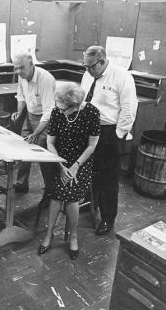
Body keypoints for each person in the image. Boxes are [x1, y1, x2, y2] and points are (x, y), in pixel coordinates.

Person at [38, 82, 100, 260]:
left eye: (66, 110)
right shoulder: (57, 111)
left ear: (76, 105)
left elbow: (92, 146)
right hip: (59, 158)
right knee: (57, 192)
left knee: (70, 192)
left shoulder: (92, 113)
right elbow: (50, 142)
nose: (62, 112)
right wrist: (61, 165)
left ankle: (73, 236)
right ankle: (49, 233)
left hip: (82, 160)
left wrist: (75, 166)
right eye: (60, 109)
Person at [80, 46, 137, 236]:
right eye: (85, 66)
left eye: (91, 67)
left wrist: (118, 135)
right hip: (89, 129)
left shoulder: (122, 76)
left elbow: (129, 109)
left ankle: (107, 217)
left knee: (108, 178)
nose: (87, 71)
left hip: (109, 132)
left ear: (103, 61)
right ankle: (92, 205)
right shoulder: (89, 74)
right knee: (90, 171)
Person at [10, 53, 56, 208]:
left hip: (44, 118)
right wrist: (19, 113)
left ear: (31, 64)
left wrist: (36, 133)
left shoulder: (45, 79)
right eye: (15, 68)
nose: (18, 72)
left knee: (43, 156)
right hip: (29, 114)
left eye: (21, 68)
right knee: (24, 148)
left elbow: (49, 111)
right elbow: (21, 95)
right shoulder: (22, 75)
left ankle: (50, 192)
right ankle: (22, 183)